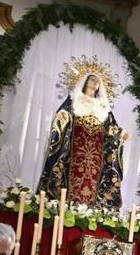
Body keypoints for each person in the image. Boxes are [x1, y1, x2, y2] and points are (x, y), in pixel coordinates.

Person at [37, 70, 130, 208]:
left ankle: (89, 209)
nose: (95, 83)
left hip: (96, 151)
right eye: (92, 79)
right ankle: (68, 207)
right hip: (75, 146)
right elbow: (65, 113)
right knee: (73, 174)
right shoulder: (75, 99)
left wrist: (121, 133)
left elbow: (109, 126)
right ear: (85, 81)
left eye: (98, 81)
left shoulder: (102, 106)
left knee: (93, 177)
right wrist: (62, 116)